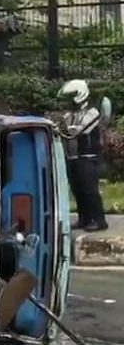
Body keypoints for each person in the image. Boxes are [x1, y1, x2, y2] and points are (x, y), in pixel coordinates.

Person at [57, 79, 108, 231]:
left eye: (71, 96)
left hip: (89, 157)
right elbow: (62, 129)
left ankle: (99, 220)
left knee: (89, 190)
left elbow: (77, 131)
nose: (69, 100)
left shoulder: (93, 113)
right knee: (77, 190)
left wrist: (63, 128)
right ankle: (84, 218)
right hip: (74, 157)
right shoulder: (70, 114)